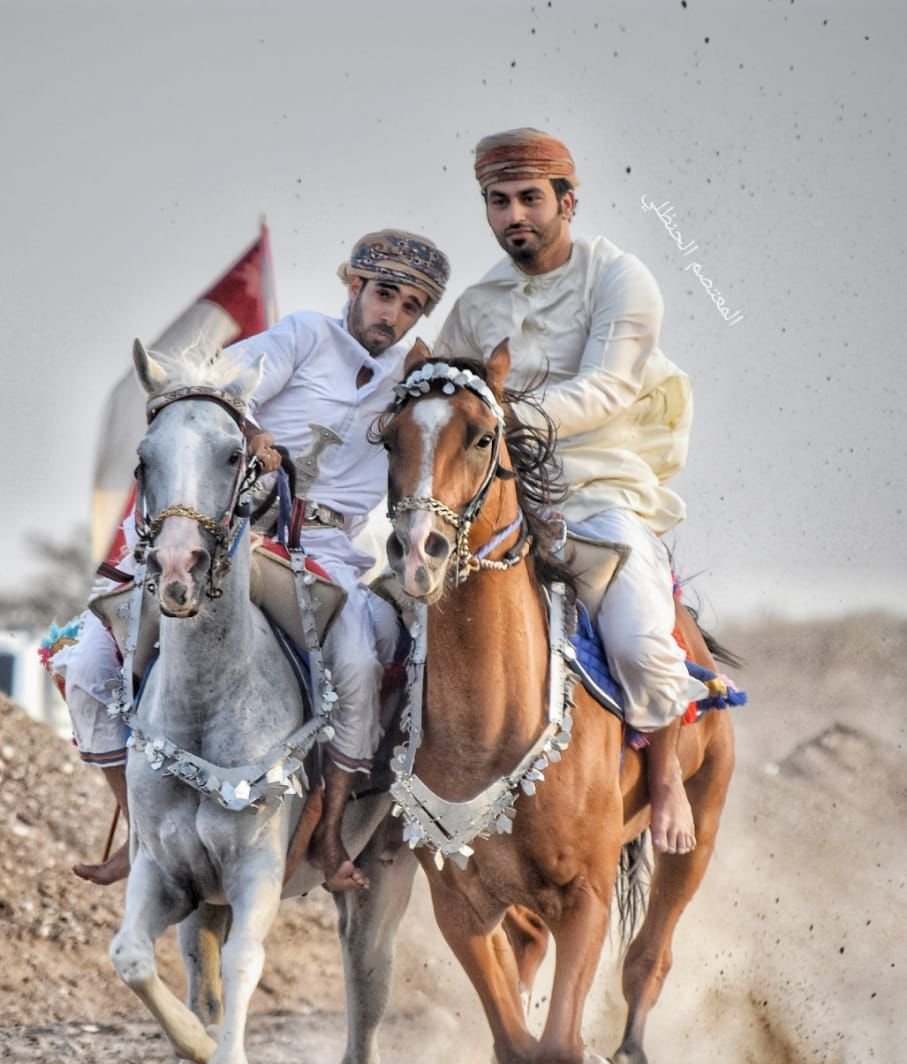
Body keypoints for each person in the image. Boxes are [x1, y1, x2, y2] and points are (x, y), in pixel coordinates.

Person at [69, 228, 450, 891]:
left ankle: (329, 835)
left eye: (411, 306)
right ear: (354, 285)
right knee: (86, 666)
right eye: (385, 294)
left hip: (327, 554)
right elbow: (214, 390)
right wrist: (252, 431)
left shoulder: (412, 380)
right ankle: (140, 831)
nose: (392, 315)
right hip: (234, 536)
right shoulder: (303, 334)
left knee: (360, 665)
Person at [436, 128, 707, 856]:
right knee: (394, 629)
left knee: (639, 641)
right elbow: (439, 399)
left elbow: (606, 388)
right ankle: (387, 805)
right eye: (498, 201)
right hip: (493, 506)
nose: (514, 215)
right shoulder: (474, 305)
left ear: (568, 202)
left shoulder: (619, 279)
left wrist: (496, 420)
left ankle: (664, 777)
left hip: (598, 494)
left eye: (530, 198)